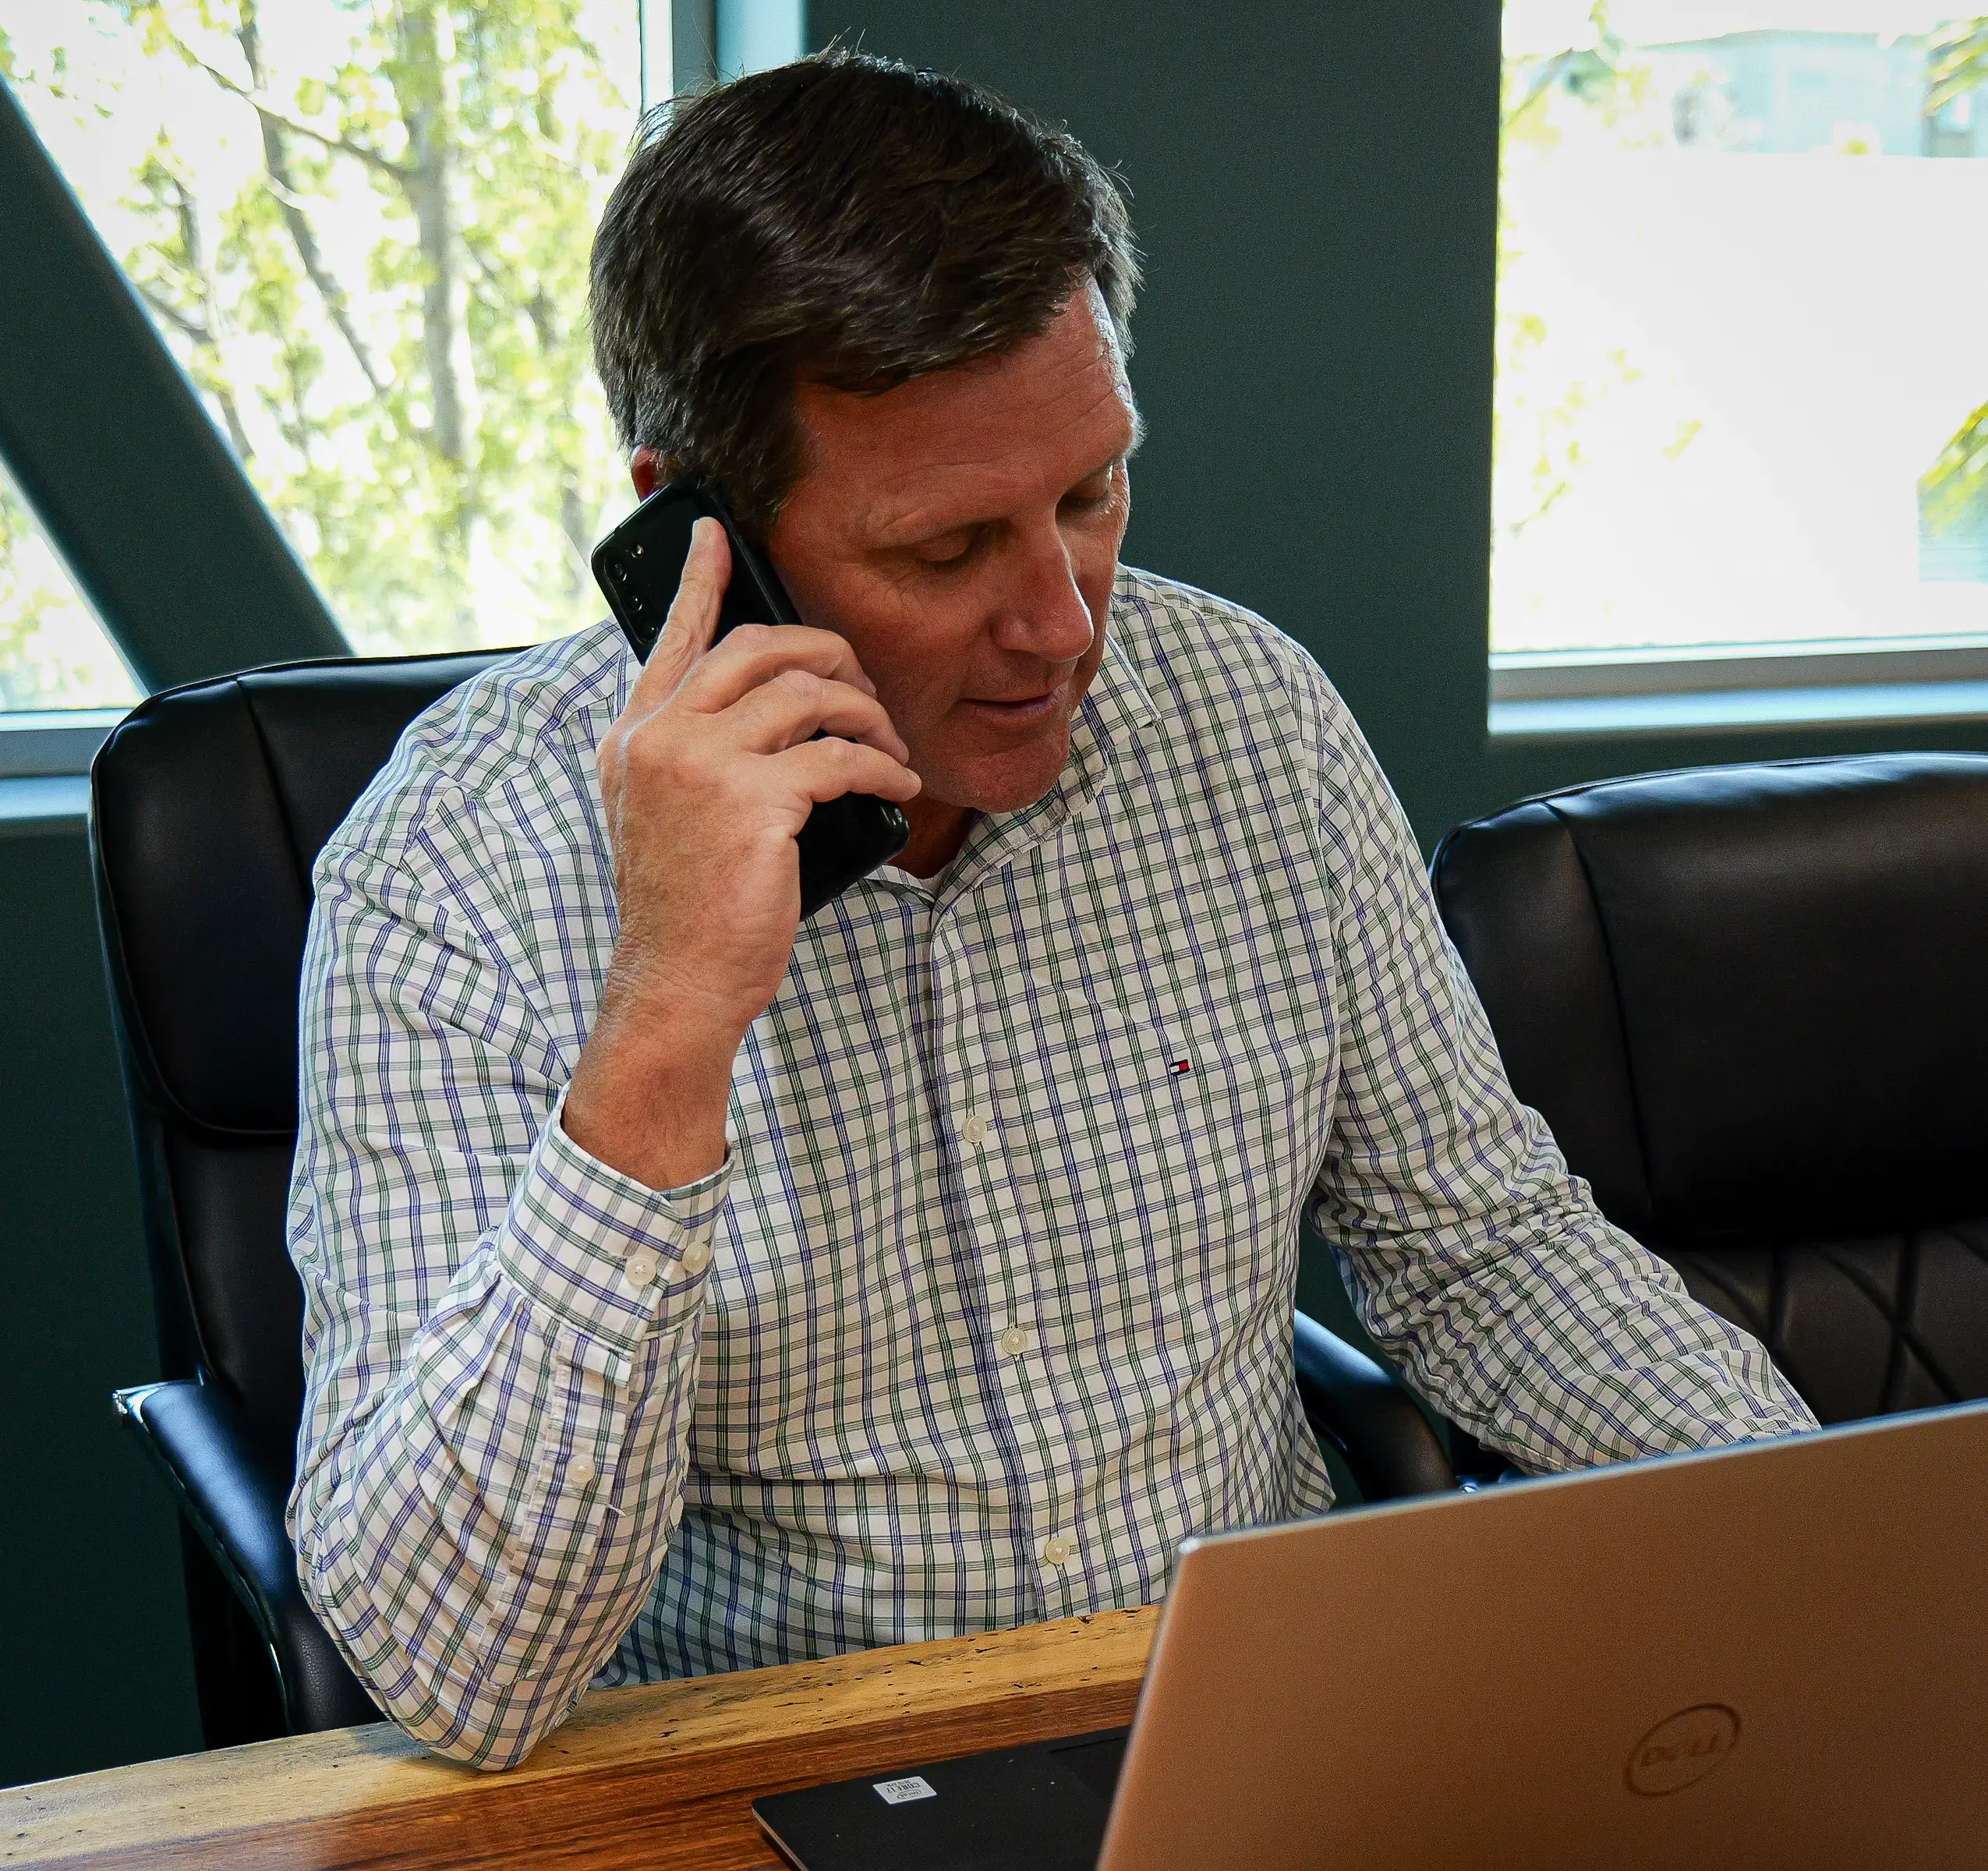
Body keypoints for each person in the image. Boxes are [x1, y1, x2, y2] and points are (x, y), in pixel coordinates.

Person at [285, 51, 1815, 1771]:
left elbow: (1484, 1254)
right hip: (780, 1766)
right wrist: (664, 1022)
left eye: (1089, 497)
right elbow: (456, 1671)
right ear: (694, 531)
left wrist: (1821, 1546)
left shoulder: (1246, 717)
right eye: (948, 553)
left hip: (1250, 1729)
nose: (1067, 622)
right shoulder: (451, 872)